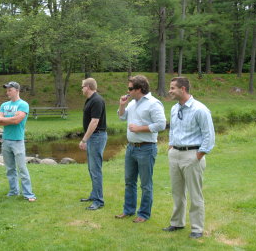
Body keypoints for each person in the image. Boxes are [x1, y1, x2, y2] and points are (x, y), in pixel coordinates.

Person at [163, 77, 215, 239]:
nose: (170, 91)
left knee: (195, 194)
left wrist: (198, 155)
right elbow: (173, 130)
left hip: (192, 155)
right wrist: (171, 147)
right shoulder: (174, 108)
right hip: (175, 154)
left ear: (183, 89)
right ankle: (177, 223)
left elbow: (209, 136)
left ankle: (197, 228)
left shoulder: (200, 109)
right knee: (177, 192)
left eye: (172, 88)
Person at [115, 75, 166, 223]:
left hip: (146, 148)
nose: (128, 91)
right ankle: (128, 210)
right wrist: (122, 105)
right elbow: (122, 117)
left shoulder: (154, 104)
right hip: (131, 148)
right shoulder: (131, 103)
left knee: (145, 184)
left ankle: (143, 214)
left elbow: (161, 125)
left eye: (130, 89)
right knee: (129, 181)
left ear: (139, 89)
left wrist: (140, 129)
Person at [0, 81, 36, 202]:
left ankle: (28, 194)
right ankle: (13, 191)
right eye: (7, 90)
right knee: (10, 169)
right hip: (6, 140)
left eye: (10, 90)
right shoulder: (4, 105)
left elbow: (17, 120)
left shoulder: (23, 104)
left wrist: (4, 119)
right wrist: (7, 119)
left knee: (22, 168)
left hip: (18, 141)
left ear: (17, 90)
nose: (7, 92)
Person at [79, 78, 107, 210]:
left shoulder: (97, 100)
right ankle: (94, 194)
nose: (81, 89)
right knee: (91, 168)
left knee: (95, 169)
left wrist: (84, 139)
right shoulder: (90, 100)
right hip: (93, 137)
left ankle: (98, 200)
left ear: (88, 86)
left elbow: (94, 122)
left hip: (97, 137)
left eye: (82, 86)